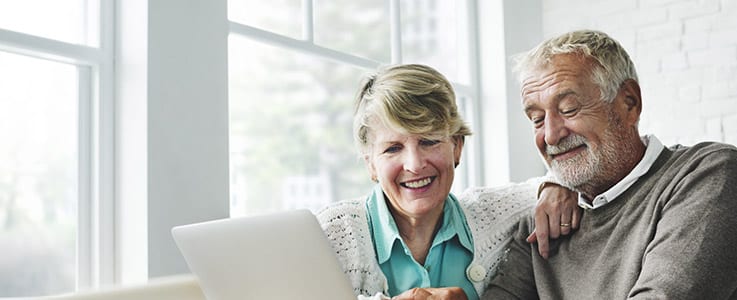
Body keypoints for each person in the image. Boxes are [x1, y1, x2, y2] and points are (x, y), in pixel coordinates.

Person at [484, 30, 737, 299]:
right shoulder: (541, 224)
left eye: (569, 109)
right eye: (536, 119)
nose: (550, 135)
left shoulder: (707, 174)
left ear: (629, 103)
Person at [316, 64, 579, 300]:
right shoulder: (331, 233)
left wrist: (557, 187)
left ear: (457, 146)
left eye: (429, 141)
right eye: (392, 148)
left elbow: (571, 175)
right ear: (371, 164)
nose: (415, 164)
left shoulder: (497, 215)